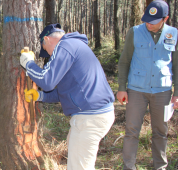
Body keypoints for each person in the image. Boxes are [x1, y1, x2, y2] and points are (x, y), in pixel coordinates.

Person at [20, 23, 115, 170]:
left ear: (47, 39)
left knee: (79, 167)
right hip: (94, 114)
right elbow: (65, 91)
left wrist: (28, 64)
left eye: (46, 50)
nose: (50, 56)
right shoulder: (74, 46)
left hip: (90, 117)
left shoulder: (64, 46)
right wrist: (40, 96)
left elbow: (47, 81)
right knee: (77, 158)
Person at [116, 0, 178, 169]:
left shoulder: (173, 34)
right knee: (131, 131)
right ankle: (128, 167)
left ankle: (160, 167)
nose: (148, 24)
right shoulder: (135, 32)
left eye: (153, 21)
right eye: (146, 20)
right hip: (136, 90)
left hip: (163, 91)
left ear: (165, 19)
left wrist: (176, 93)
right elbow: (124, 62)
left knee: (160, 132)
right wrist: (122, 88)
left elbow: (176, 65)